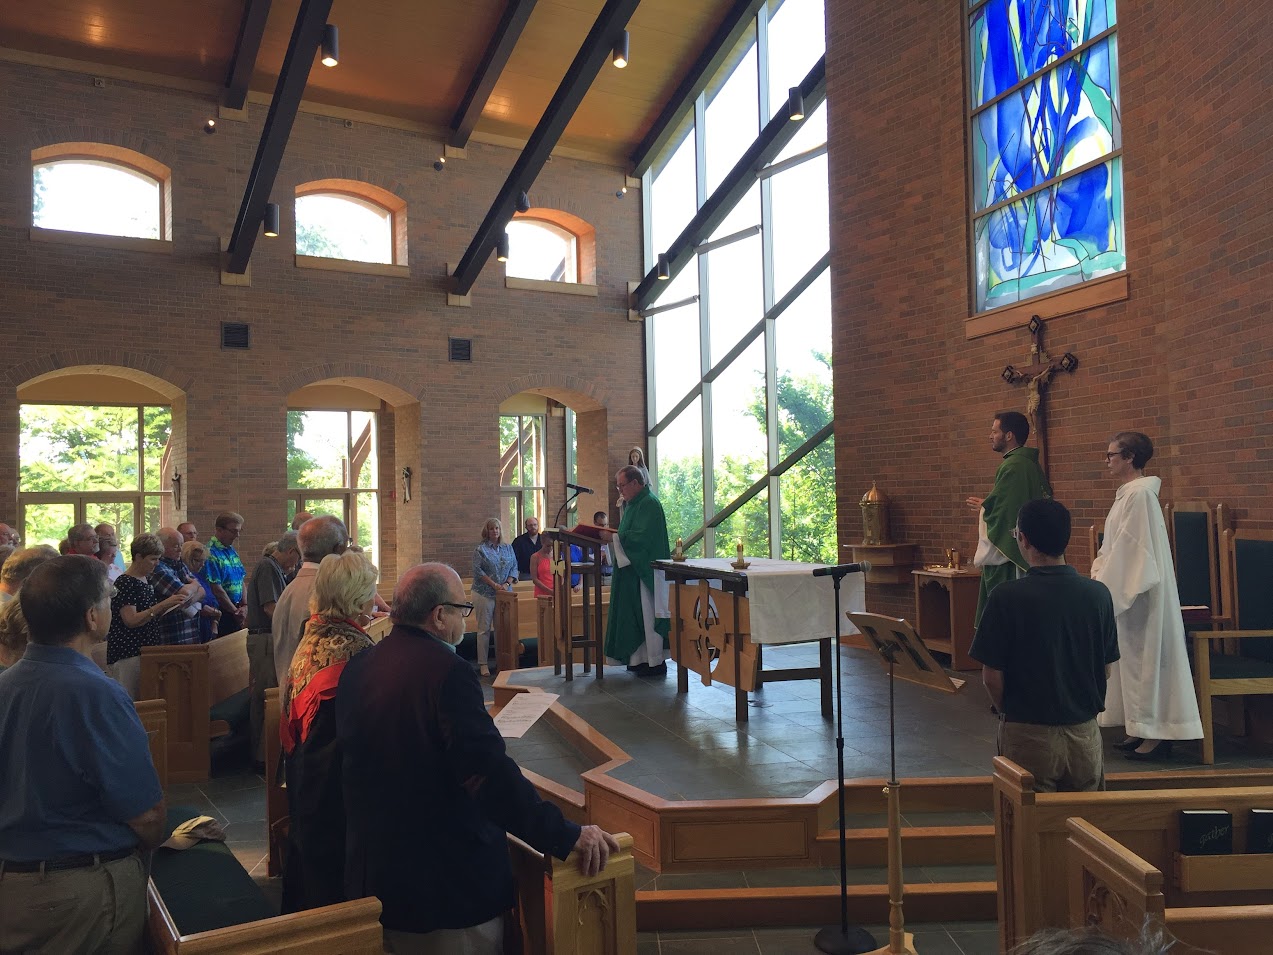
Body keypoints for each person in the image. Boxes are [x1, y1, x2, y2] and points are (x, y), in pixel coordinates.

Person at [336, 562, 619, 953]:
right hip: (444, 890)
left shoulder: (360, 665)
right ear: (439, 615)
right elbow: (488, 776)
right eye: (462, 610)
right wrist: (564, 834)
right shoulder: (447, 672)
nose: (465, 619)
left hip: (378, 879)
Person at [0, 556, 165, 953]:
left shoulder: (6, 684)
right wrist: (153, 841)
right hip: (79, 890)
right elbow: (145, 814)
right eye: (108, 599)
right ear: (92, 617)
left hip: (13, 884)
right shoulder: (95, 693)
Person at [969, 499, 1120, 792]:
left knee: (1027, 818)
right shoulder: (1098, 595)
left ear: (1023, 539)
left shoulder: (1005, 597)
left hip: (1027, 733)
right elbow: (1106, 668)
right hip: (1084, 734)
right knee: (1084, 819)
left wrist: (1010, 713)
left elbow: (991, 677)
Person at [1091, 432, 1203, 761]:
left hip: (1142, 595)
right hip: (1128, 592)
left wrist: (1104, 581)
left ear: (1129, 457)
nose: (1107, 460)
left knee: (1147, 662)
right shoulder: (1129, 494)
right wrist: (1100, 571)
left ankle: (1157, 735)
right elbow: (1113, 546)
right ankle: (1138, 727)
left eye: (1112, 455)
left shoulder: (1140, 495)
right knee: (1132, 663)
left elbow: (1134, 551)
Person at [280, 550, 379, 913]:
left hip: (305, 772)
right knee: (328, 880)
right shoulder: (352, 652)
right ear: (356, 598)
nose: (375, 599)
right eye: (371, 590)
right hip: (330, 788)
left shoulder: (317, 631)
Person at [966, 411, 1052, 626]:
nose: (990, 436)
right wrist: (989, 505)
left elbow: (1007, 513)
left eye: (994, 431)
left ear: (1009, 435)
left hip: (1012, 558)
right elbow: (1014, 504)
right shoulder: (1028, 464)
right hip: (1033, 550)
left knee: (1007, 620)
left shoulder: (1013, 466)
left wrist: (986, 509)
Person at [601, 465, 672, 676]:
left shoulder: (649, 503)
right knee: (634, 617)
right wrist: (615, 536)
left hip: (644, 572)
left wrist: (613, 538)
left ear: (635, 483)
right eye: (618, 486)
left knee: (646, 616)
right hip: (631, 571)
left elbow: (641, 539)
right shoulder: (633, 504)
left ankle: (653, 661)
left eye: (622, 486)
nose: (620, 490)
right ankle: (638, 660)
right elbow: (629, 534)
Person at [108, 533, 197, 698]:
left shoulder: (145, 579)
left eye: (158, 559)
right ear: (138, 557)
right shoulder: (125, 582)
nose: (157, 563)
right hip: (129, 652)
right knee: (130, 699)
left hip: (146, 649)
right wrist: (163, 604)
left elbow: (149, 612)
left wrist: (168, 607)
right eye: (153, 559)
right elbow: (130, 620)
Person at [273, 516, 349, 689]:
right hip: (313, 696)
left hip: (290, 693)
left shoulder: (290, 589)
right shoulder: (324, 593)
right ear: (338, 548)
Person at [245, 531, 300, 762]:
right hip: (264, 639)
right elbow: (270, 608)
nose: (297, 563)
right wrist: (295, 627)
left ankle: (267, 753)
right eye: (298, 557)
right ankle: (262, 757)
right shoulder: (267, 567)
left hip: (268, 638)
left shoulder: (274, 567)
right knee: (265, 695)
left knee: (268, 693)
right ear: (292, 551)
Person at [471, 517, 517, 677]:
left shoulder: (508, 547)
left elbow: (514, 567)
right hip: (484, 593)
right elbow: (478, 571)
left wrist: (507, 583)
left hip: (504, 593)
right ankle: (483, 664)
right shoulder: (480, 549)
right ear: (487, 531)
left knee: (502, 628)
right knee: (484, 629)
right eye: (491, 528)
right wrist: (494, 584)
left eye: (497, 528)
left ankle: (501, 661)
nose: (495, 531)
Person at [148, 527, 208, 647]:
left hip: (189, 633)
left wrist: (189, 600)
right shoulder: (158, 568)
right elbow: (184, 592)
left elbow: (202, 592)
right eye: (176, 546)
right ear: (162, 547)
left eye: (181, 545)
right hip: (171, 634)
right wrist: (195, 585)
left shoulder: (180, 564)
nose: (180, 549)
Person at [205, 511, 248, 635]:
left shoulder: (231, 550)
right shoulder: (210, 553)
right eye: (233, 531)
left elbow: (241, 579)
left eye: (239, 531)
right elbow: (216, 589)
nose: (237, 535)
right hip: (223, 611)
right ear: (219, 530)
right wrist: (235, 611)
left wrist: (245, 605)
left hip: (237, 609)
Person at [182, 539, 223, 643]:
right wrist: (210, 611)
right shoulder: (183, 578)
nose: (202, 565)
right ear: (187, 559)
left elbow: (213, 600)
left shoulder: (201, 577)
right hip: (191, 628)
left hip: (208, 627)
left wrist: (215, 620)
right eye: (198, 561)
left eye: (203, 561)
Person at [510, 516, 541, 581]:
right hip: (525, 574)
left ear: (538, 526)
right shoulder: (519, 541)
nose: (533, 527)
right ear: (526, 527)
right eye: (530, 525)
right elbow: (513, 559)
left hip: (542, 573)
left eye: (535, 525)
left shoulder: (544, 540)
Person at [594, 510, 613, 577]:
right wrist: (599, 554)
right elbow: (585, 556)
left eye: (606, 525)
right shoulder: (590, 537)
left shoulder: (612, 537)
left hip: (611, 573)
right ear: (595, 523)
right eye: (601, 525)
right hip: (596, 574)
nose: (604, 528)